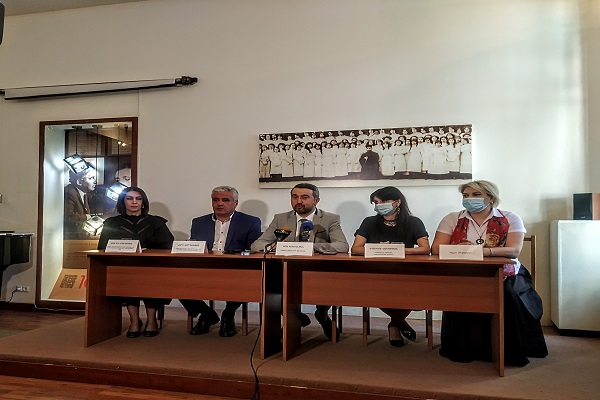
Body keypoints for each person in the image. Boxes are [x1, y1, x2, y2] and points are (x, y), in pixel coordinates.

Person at [431, 180, 548, 366]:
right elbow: (436, 249)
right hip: (465, 272)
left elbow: (514, 251)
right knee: (458, 292)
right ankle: (464, 349)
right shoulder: (452, 218)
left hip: (505, 273)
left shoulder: (510, 218)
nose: (469, 199)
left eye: (476, 195)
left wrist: (482, 251)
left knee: (507, 295)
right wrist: (461, 249)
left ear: (491, 198)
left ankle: (506, 351)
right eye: (466, 195)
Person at [251, 183, 349, 340]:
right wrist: (277, 246)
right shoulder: (282, 219)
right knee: (270, 285)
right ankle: (296, 317)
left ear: (316, 200)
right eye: (294, 197)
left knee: (327, 287)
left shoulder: (329, 219)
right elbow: (257, 244)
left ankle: (322, 315)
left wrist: (312, 247)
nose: (299, 201)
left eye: (304, 197)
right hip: (285, 270)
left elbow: (342, 246)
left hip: (318, 270)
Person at [351, 187, 430, 347]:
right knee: (376, 291)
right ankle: (398, 323)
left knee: (415, 294)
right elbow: (356, 249)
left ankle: (394, 323)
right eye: (376, 202)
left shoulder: (413, 222)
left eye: (383, 201)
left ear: (397, 202)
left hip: (406, 271)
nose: (379, 205)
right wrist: (378, 249)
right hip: (376, 271)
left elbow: (425, 248)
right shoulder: (369, 222)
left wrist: (397, 249)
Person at [180, 186, 262, 337]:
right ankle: (206, 313)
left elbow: (253, 250)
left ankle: (228, 314)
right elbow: (195, 247)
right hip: (204, 267)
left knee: (243, 279)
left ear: (235, 203)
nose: (219, 203)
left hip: (236, 268)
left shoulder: (250, 221)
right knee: (175, 279)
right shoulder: (199, 222)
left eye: (225, 200)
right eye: (215, 200)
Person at [97, 186, 174, 338]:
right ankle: (134, 321)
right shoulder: (112, 223)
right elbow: (103, 247)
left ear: (143, 202)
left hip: (151, 266)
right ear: (123, 202)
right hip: (124, 266)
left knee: (151, 280)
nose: (134, 202)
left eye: (138, 199)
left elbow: (169, 245)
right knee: (127, 279)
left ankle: (151, 320)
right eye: (129, 198)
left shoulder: (155, 222)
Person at [64, 168, 97, 239]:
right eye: (90, 178)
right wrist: (87, 217)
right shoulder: (69, 192)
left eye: (94, 178)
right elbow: (68, 216)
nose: (95, 181)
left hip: (80, 236)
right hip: (71, 238)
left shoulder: (83, 192)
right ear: (79, 182)